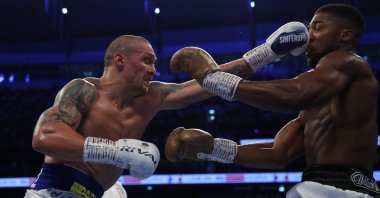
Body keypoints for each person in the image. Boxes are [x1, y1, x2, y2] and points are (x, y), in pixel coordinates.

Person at [25, 21, 309, 198]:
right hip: (55, 190)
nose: (153, 69)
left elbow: (209, 83)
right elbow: (45, 137)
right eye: (146, 61)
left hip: (100, 191)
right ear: (120, 60)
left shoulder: (152, 96)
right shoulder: (84, 89)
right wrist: (115, 151)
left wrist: (268, 52)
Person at [166, 3, 379, 198]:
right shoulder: (318, 97)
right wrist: (212, 149)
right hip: (325, 185)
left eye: (317, 28)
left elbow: (292, 94)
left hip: (342, 189)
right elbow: (279, 153)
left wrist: (214, 79)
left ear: (345, 36)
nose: (309, 36)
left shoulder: (350, 63)